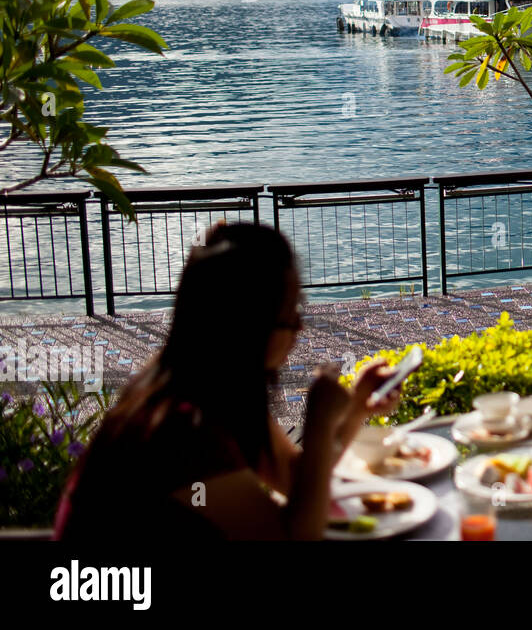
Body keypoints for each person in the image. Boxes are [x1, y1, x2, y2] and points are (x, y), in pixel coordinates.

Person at [55, 223, 403, 540]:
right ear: (244, 328)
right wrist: (318, 422)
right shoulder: (180, 427)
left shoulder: (210, 389)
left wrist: (357, 407)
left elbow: (296, 478)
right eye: (287, 315)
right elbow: (295, 535)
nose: (299, 327)